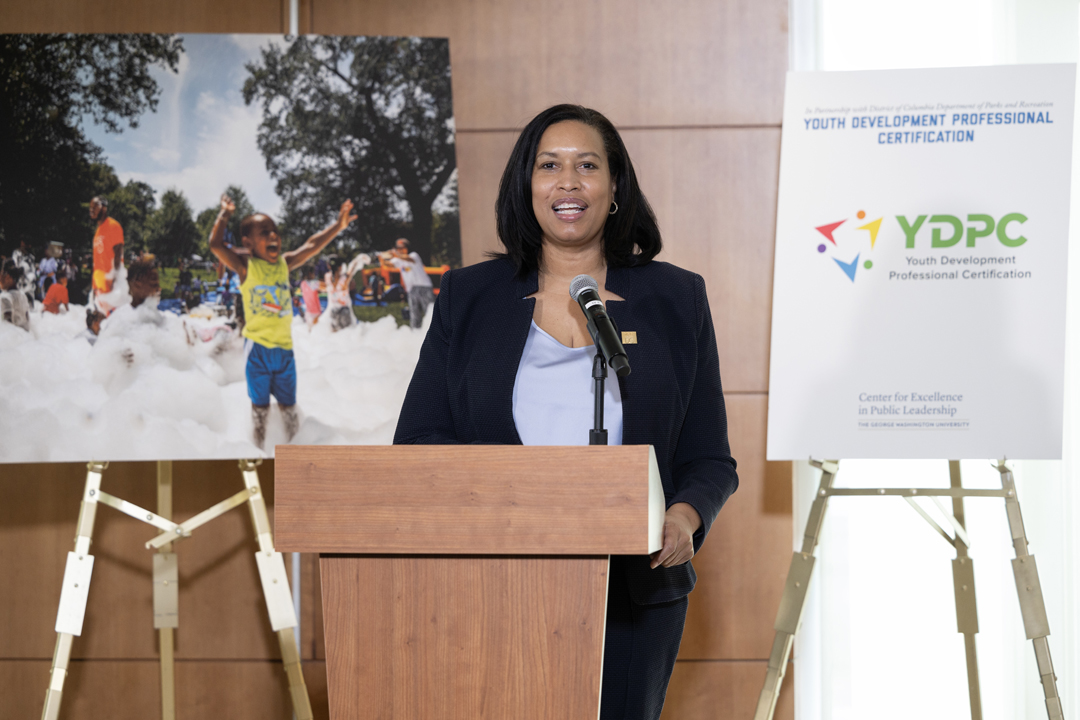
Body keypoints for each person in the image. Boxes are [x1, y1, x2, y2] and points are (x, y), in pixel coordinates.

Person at [393, 105, 738, 720]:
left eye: (587, 166)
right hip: (492, 582)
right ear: (526, 187)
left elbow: (709, 455)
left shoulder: (675, 297)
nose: (568, 182)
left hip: (634, 591)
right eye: (549, 166)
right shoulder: (469, 295)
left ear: (614, 188)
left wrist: (685, 517)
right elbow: (421, 437)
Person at [209, 194, 357, 449]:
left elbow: (311, 246)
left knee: (289, 409)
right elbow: (216, 245)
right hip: (258, 352)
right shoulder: (247, 268)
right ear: (248, 243)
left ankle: (294, 451)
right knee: (260, 409)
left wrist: (338, 226)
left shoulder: (283, 264)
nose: (274, 236)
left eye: (275, 231)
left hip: (285, 351)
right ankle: (258, 451)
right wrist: (225, 213)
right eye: (265, 232)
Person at [384, 238, 434, 329]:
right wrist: (382, 257)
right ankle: (415, 334)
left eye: (402, 248)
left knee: (430, 313)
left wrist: (395, 254)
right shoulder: (398, 260)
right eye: (398, 248)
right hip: (411, 290)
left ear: (407, 248)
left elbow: (407, 259)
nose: (400, 250)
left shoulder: (414, 256)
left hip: (424, 287)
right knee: (414, 315)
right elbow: (388, 264)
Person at [89, 196, 125, 314]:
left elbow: (118, 255)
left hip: (111, 284)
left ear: (103, 208)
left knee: (113, 322)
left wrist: (115, 280)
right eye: (90, 208)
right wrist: (94, 286)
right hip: (99, 286)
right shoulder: (98, 231)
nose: (91, 210)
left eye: (95, 207)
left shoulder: (113, 226)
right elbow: (98, 260)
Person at [325, 252, 370, 331]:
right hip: (344, 311)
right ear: (340, 267)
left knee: (334, 334)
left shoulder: (327, 278)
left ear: (328, 266)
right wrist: (360, 258)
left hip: (333, 311)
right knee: (347, 332)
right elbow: (352, 267)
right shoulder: (344, 279)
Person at [0, 262, 31, 330]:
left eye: (1, 277)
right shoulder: (22, 295)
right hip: (25, 336)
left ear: (8, 278)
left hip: (14, 338)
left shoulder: (5, 298)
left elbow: (7, 326)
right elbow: (27, 322)